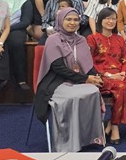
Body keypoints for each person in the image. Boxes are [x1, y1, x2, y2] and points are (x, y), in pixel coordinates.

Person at [34, 9, 104, 152]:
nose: (72, 23)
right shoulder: (53, 39)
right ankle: (67, 142)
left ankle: (86, 138)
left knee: (93, 91)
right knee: (73, 97)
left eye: (75, 20)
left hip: (77, 80)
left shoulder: (81, 40)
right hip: (55, 82)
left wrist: (96, 77)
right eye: (68, 19)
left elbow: (87, 64)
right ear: (60, 20)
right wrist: (86, 78)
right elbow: (58, 68)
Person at [87, 8, 126, 142]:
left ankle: (111, 123)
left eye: (113, 19)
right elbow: (89, 62)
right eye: (107, 18)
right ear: (100, 20)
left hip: (120, 75)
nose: (110, 21)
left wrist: (123, 72)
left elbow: (125, 59)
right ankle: (115, 127)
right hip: (101, 76)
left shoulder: (119, 39)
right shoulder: (92, 38)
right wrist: (108, 75)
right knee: (121, 88)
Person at [0, 0, 32, 89]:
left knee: (16, 42)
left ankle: (21, 79)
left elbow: (26, 22)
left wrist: (8, 29)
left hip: (17, 29)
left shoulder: (25, 2)